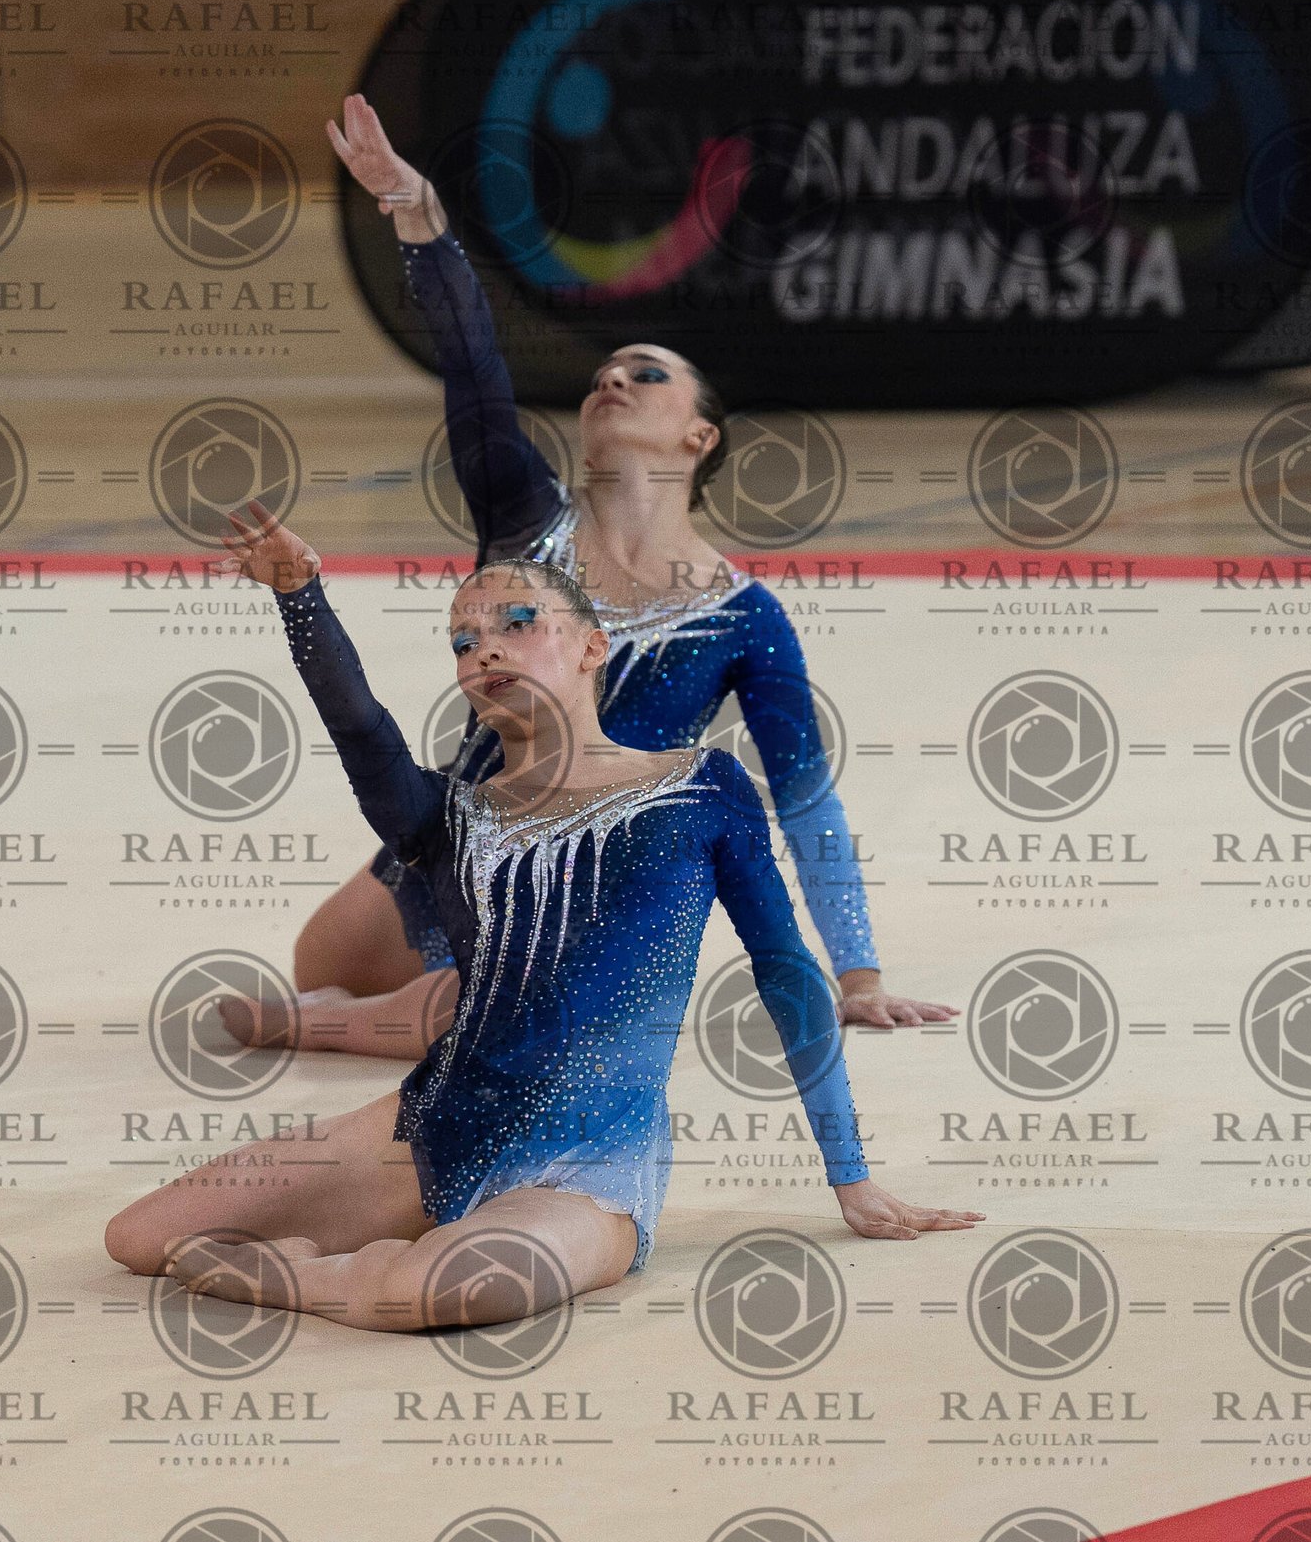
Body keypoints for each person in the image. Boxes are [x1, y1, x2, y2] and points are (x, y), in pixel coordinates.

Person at [102, 505, 983, 1331]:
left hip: (588, 1169)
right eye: (464, 640)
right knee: (139, 1237)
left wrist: (851, 1176)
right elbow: (361, 728)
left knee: (456, 1285)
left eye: (519, 622)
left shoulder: (699, 787)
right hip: (430, 1130)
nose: (486, 647)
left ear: (594, 645)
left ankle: (306, 1275)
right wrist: (301, 596)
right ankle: (384, 1229)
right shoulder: (448, 817)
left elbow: (784, 970)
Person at [280, 96, 956, 1060]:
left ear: (699, 435)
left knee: (486, 1014)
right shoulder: (525, 520)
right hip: (450, 859)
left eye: (647, 375)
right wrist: (417, 214)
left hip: (582, 883)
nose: (612, 380)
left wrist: (859, 976)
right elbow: (472, 363)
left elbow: (804, 796)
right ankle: (373, 1009)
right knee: (324, 963)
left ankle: (394, 1013)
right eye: (604, 373)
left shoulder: (742, 617)